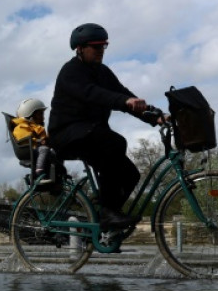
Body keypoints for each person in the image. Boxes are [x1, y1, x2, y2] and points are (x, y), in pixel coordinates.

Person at [48, 23, 158, 231]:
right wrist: (123, 101)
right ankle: (108, 213)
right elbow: (92, 93)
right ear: (80, 48)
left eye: (103, 47)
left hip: (90, 135)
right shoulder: (71, 71)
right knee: (114, 142)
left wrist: (156, 116)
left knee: (130, 175)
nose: (100, 52)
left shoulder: (103, 72)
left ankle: (104, 215)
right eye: (95, 47)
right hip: (66, 134)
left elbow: (124, 94)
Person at [11, 98, 57, 184]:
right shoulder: (21, 127)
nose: (43, 117)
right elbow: (24, 140)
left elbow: (45, 139)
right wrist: (39, 141)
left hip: (37, 149)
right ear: (30, 115)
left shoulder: (36, 127)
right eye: (40, 114)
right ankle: (39, 172)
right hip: (28, 151)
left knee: (56, 152)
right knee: (44, 149)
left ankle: (58, 175)